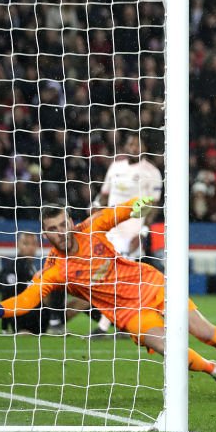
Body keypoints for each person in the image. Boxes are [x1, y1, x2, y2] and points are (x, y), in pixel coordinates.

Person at [0, 197, 216, 397]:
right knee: (169, 347)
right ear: (45, 234)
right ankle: (214, 371)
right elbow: (27, 299)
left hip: (151, 285)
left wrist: (138, 202)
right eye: (53, 228)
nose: (61, 231)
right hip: (126, 312)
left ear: (70, 221)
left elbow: (117, 212)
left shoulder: (90, 228)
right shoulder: (53, 269)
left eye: (64, 223)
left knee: (204, 331)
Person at [72, 134, 163, 337]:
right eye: (130, 143)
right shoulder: (116, 167)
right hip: (110, 229)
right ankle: (118, 323)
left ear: (144, 146)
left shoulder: (152, 172)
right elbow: (104, 195)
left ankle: (103, 328)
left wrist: (143, 231)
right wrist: (95, 206)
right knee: (102, 278)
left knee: (117, 277)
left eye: (137, 143)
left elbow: (154, 206)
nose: (133, 147)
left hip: (132, 230)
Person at [0, 232, 45, 335]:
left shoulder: (30, 266)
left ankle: (54, 323)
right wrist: (5, 327)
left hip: (35, 315)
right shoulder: (13, 267)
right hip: (22, 319)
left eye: (33, 244)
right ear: (18, 245)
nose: (31, 248)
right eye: (26, 244)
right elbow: (7, 294)